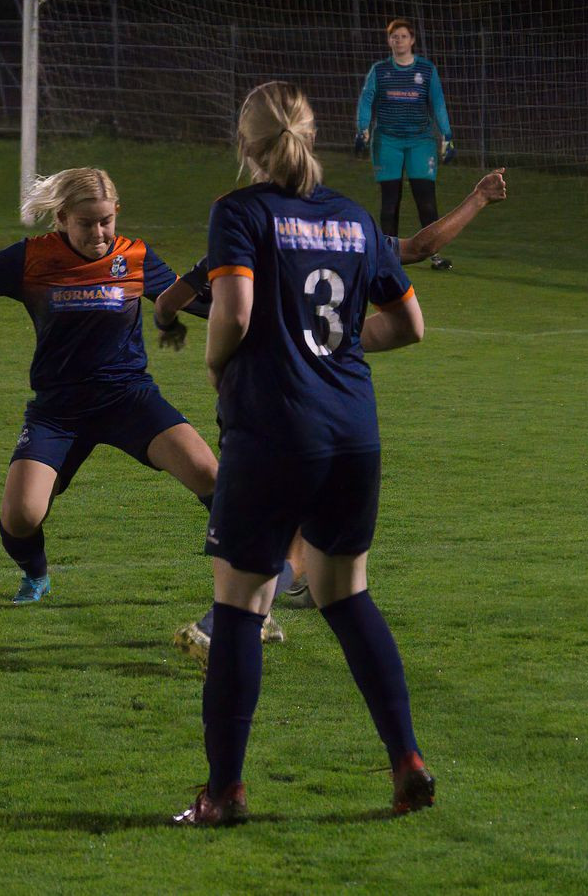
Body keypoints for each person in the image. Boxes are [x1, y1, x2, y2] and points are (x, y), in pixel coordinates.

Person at [174, 81, 433, 826]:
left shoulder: (240, 211)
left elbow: (234, 313)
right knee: (346, 595)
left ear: (246, 144)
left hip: (274, 431)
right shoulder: (353, 217)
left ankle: (223, 792)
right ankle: (407, 760)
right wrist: (333, 347)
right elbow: (409, 324)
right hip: (353, 432)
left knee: (240, 606)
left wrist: (217, 365)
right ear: (311, 136)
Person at [158, 166, 508, 665]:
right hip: (338, 408)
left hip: (259, 404)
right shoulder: (348, 226)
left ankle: (236, 621)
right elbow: (418, 253)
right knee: (315, 551)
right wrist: (477, 200)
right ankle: (252, 615)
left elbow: (173, 301)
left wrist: (170, 324)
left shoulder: (240, 231)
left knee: (264, 536)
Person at [0, 167, 220, 604]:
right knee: (21, 517)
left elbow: (196, 303)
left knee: (211, 476)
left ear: (117, 212)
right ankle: (36, 574)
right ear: (62, 218)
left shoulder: (135, 256)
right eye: (86, 223)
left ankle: (252, 576)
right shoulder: (31, 258)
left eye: (106, 220)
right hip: (58, 411)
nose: (99, 232)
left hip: (128, 399)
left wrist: (252, 298)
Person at [355, 18, 456, 270]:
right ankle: (388, 256)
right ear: (389, 41)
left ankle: (435, 255)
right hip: (387, 142)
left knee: (426, 200)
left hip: (420, 142)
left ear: (412, 40)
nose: (398, 40)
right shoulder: (379, 70)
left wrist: (447, 135)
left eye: (403, 36)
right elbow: (366, 99)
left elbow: (438, 103)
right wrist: (362, 128)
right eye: (394, 36)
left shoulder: (426, 70)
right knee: (390, 201)